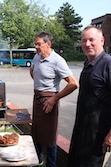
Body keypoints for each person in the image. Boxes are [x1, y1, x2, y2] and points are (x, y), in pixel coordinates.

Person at [67, 26, 111, 167]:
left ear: (102, 41)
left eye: (91, 40)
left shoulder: (110, 65)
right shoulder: (88, 64)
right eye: (84, 41)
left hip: (99, 135)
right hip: (83, 131)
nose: (87, 44)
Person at [30, 31, 79, 167]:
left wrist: (54, 98)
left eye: (39, 44)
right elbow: (33, 71)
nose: (36, 47)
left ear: (48, 44)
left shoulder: (57, 60)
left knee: (49, 136)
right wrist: (39, 86)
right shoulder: (36, 57)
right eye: (35, 44)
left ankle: (51, 164)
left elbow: (74, 83)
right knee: (37, 131)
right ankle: (37, 159)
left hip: (49, 101)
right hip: (37, 99)